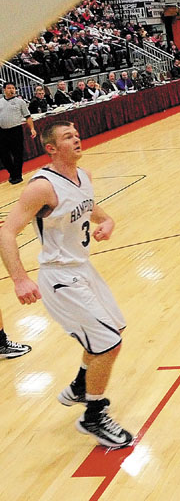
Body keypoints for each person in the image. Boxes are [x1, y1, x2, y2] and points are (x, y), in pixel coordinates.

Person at [0, 121, 132, 447]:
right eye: (67, 137)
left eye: (76, 134)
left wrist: (108, 220)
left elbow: (88, 207)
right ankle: (94, 414)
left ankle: (79, 384)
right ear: (51, 148)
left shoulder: (84, 176)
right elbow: (5, 231)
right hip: (59, 276)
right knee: (107, 344)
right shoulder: (41, 187)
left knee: (112, 331)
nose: (76, 139)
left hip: (83, 269)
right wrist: (19, 279)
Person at [0, 82, 36, 185]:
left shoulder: (20, 102)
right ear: (4, 90)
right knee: (4, 155)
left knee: (17, 153)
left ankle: (17, 175)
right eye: (9, 88)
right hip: (3, 131)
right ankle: (12, 172)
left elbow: (27, 116)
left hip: (16, 130)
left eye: (13, 88)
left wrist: (32, 129)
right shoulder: (0, 102)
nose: (11, 90)